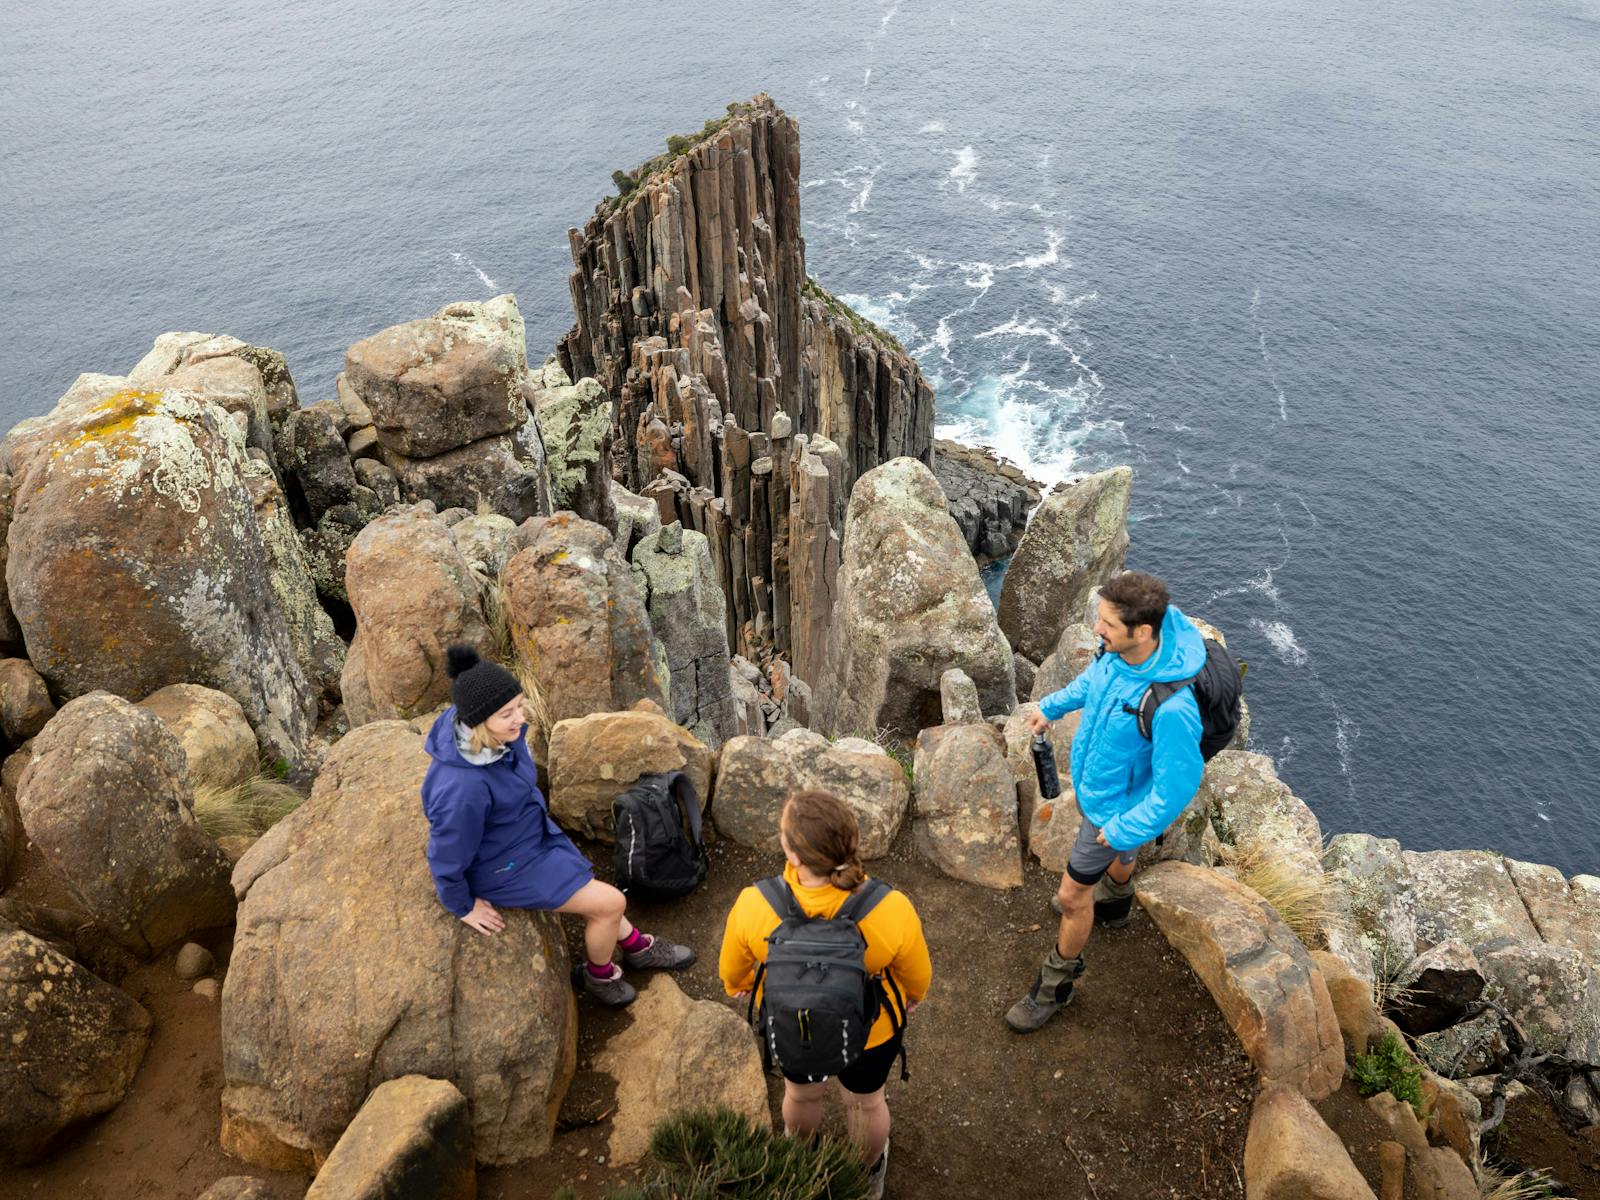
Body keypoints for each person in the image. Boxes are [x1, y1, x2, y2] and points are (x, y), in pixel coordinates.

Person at [421, 644, 694, 1008]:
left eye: (519, 705)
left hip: (526, 837)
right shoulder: (463, 787)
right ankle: (599, 976)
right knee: (610, 902)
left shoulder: (496, 736)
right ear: (478, 721)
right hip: (503, 866)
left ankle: (635, 947)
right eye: (508, 713)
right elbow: (446, 851)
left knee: (596, 896)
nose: (521, 717)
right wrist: (462, 905)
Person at [1005, 571, 1206, 1033]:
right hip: (1105, 791)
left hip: (1114, 815)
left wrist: (1121, 830)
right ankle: (1115, 900)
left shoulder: (1173, 707)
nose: (1098, 629)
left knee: (1071, 896)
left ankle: (1055, 985)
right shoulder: (1118, 656)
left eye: (1107, 625)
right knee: (1110, 862)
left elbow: (1174, 789)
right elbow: (1092, 683)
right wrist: (1051, 707)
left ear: (1143, 632)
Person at [719, 791, 932, 1200]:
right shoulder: (890, 907)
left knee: (800, 1094)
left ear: (794, 856)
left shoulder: (754, 905)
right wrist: (914, 995)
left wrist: (740, 985)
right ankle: (865, 1175)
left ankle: (801, 1161)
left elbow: (732, 971)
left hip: (794, 1024)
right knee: (867, 1103)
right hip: (870, 1030)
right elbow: (917, 974)